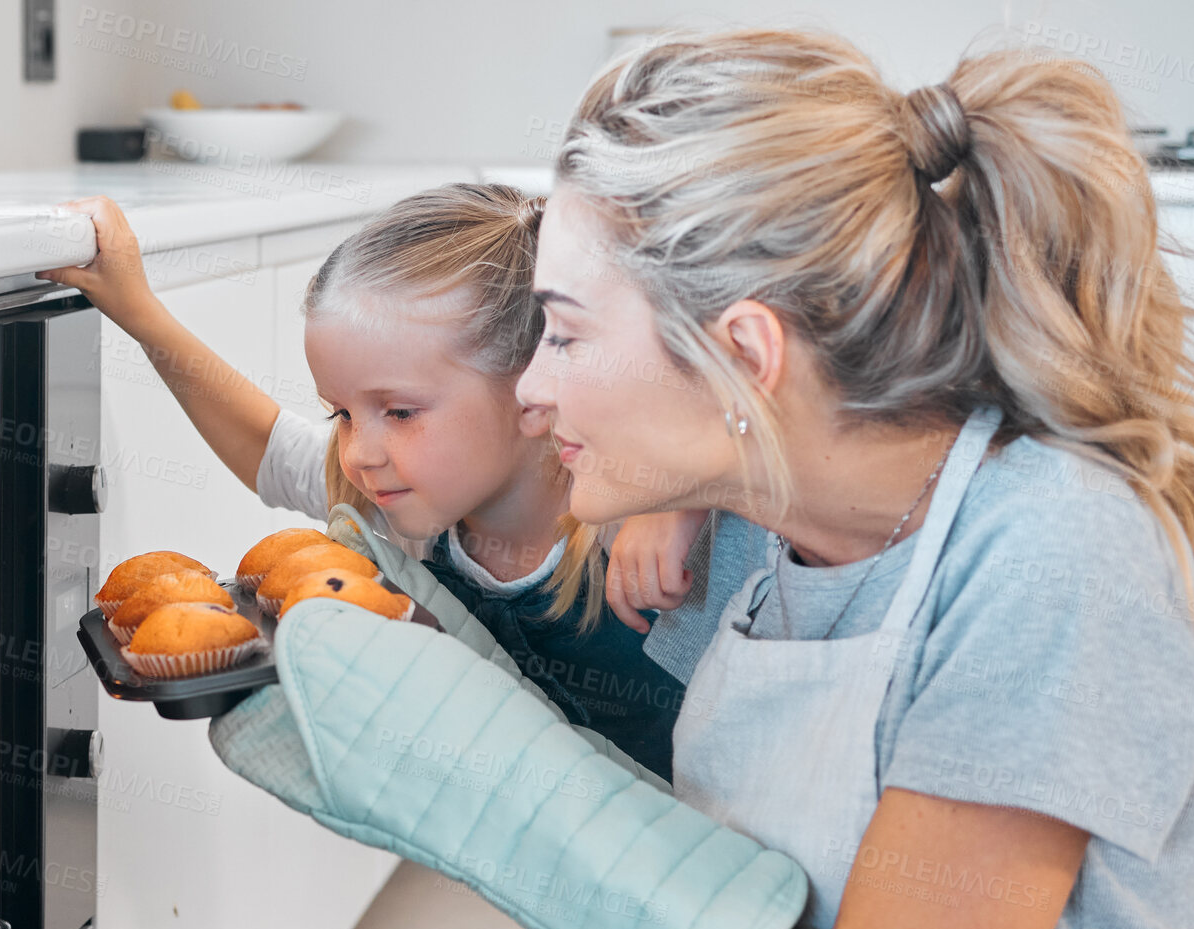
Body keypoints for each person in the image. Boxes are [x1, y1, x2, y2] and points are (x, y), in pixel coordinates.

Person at [209, 27, 1194, 929]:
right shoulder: (776, 540)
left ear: (743, 356)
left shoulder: (1048, 560)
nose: (530, 389)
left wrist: (478, 767)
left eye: (563, 333)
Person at [38, 184, 761, 780]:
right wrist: (137, 310)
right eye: (344, 413)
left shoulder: (643, 525)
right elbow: (268, 445)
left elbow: (811, 396)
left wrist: (687, 490)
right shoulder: (404, 507)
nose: (360, 451)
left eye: (401, 411)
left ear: (534, 385)